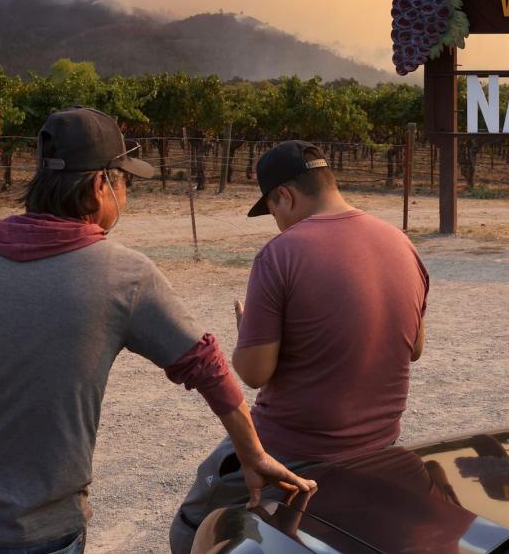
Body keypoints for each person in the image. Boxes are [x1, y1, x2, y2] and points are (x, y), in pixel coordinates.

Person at [0, 106, 312, 554]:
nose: (125, 195)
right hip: (43, 535)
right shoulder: (125, 276)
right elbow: (208, 366)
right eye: (124, 182)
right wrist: (253, 455)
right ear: (101, 185)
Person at [171, 140, 429, 553]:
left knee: (190, 527)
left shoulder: (281, 254)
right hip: (379, 448)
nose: (275, 221)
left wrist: (247, 336)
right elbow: (414, 347)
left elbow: (255, 373)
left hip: (292, 451)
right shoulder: (403, 245)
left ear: (285, 196)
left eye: (272, 209)